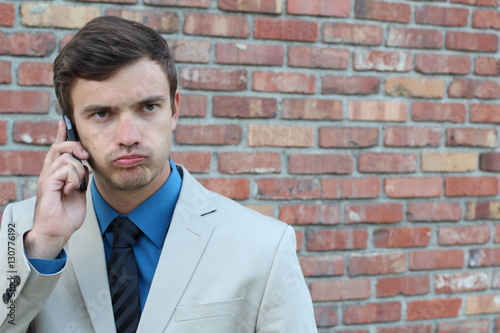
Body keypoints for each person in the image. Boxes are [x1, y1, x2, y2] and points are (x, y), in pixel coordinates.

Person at [0, 16, 317, 333]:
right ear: (71, 127)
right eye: (102, 113)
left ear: (174, 109)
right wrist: (42, 247)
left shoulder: (264, 244)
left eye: (148, 107)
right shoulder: (22, 230)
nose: (128, 136)